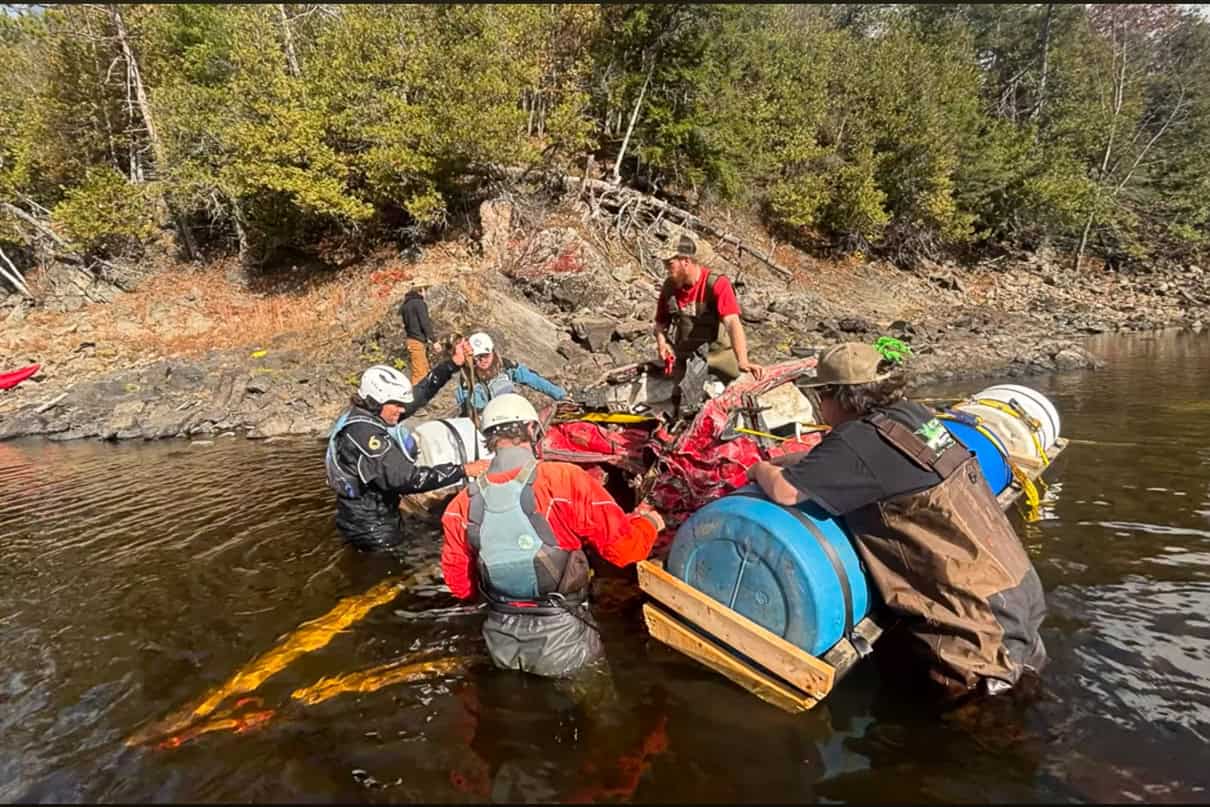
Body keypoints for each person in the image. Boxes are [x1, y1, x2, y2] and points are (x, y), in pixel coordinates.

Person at [746, 342, 1047, 703]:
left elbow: (784, 492)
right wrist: (798, 460)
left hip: (975, 638)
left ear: (836, 397)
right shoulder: (914, 417)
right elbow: (839, 460)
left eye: (819, 397)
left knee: (970, 739)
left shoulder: (854, 441)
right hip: (1018, 598)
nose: (818, 407)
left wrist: (758, 467)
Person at [440, 393, 665, 678]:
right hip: (564, 639)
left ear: (487, 439)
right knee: (601, 717)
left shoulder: (459, 506)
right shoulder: (564, 480)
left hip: (500, 643)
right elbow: (625, 551)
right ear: (533, 429)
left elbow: (462, 589)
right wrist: (648, 522)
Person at [326, 348, 490, 550]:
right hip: (372, 526)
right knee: (388, 570)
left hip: (371, 513)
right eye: (396, 404)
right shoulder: (365, 435)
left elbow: (419, 395)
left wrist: (452, 365)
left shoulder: (371, 414)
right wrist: (462, 470)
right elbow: (407, 478)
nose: (402, 409)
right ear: (377, 401)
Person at [653, 227, 765, 382]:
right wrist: (662, 344)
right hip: (685, 359)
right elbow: (660, 324)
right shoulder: (669, 287)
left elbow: (732, 322)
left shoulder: (717, 283)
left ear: (686, 261)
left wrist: (743, 361)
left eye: (670, 264)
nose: (666, 269)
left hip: (718, 359)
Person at [455, 331, 567, 416]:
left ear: (493, 352)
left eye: (486, 355)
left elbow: (534, 379)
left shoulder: (506, 366)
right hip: (484, 420)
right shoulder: (467, 378)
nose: (482, 360)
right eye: (477, 357)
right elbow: (467, 408)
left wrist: (560, 395)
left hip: (510, 413)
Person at [400, 286, 435, 384]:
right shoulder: (419, 303)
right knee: (420, 374)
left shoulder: (405, 305)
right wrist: (434, 340)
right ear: (420, 291)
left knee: (421, 371)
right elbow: (425, 323)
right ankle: (416, 397)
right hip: (417, 341)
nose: (426, 293)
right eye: (425, 290)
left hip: (411, 340)